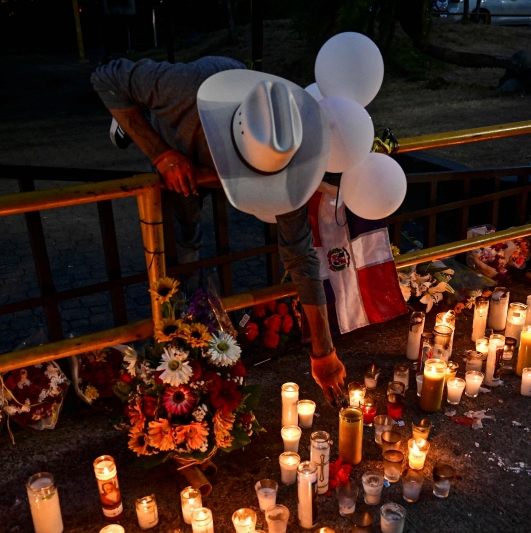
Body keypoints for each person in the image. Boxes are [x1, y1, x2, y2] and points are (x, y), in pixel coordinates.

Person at [92, 59, 346, 404]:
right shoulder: (181, 88)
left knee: (191, 222)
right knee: (184, 230)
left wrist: (323, 353)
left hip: (208, 150)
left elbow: (300, 256)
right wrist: (161, 155)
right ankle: (180, 327)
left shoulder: (283, 146)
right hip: (177, 136)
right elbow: (106, 77)